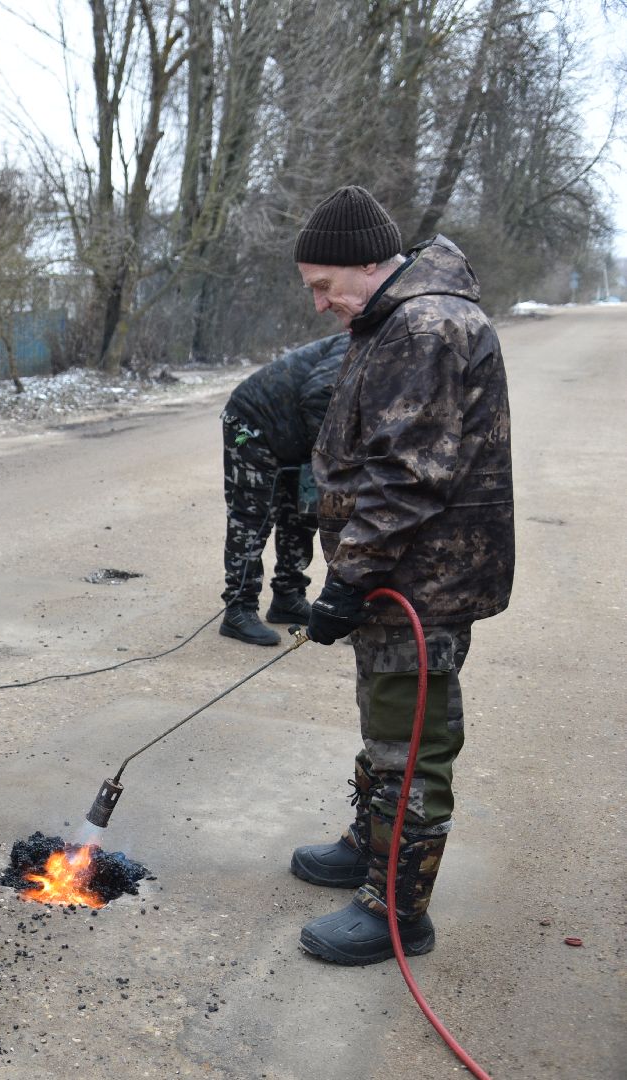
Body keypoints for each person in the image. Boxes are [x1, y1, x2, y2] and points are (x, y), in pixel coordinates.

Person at [290, 186, 514, 965]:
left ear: (365, 265)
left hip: (425, 578)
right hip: (399, 574)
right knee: (383, 719)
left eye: (325, 286)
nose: (321, 304)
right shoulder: (391, 318)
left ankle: (398, 908)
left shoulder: (425, 326)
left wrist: (348, 576)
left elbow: (406, 475)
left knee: (411, 740)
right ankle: (369, 841)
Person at [218, 333, 348, 646]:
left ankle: (288, 596)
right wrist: (337, 459)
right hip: (251, 427)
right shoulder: (358, 344)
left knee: (303, 515)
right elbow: (318, 396)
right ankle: (239, 609)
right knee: (253, 516)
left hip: (299, 439)